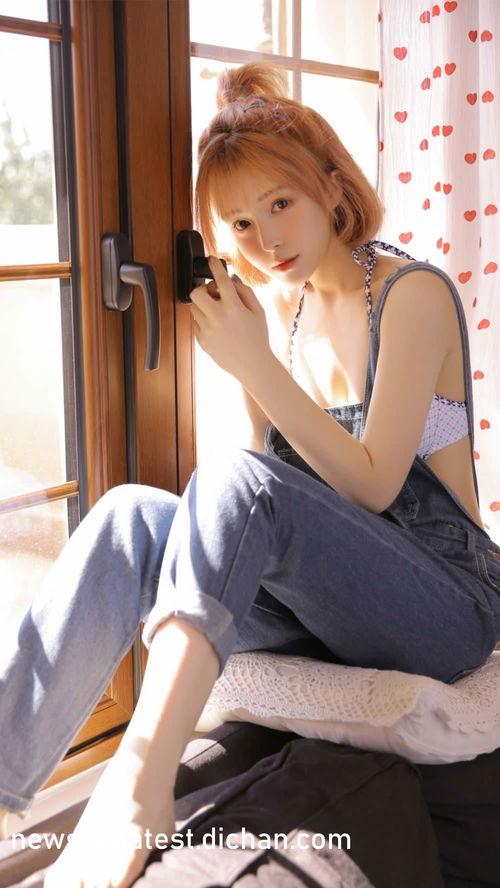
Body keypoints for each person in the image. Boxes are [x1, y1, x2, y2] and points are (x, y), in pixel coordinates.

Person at [1, 60, 500, 888]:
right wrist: (253, 363)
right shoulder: (284, 311)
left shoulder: (410, 294)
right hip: (338, 613)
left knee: (230, 478)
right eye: (240, 222)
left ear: (332, 187)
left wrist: (254, 365)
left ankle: (138, 782)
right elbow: (269, 500)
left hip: (445, 606)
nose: (266, 240)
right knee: (128, 518)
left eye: (280, 204)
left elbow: (375, 486)